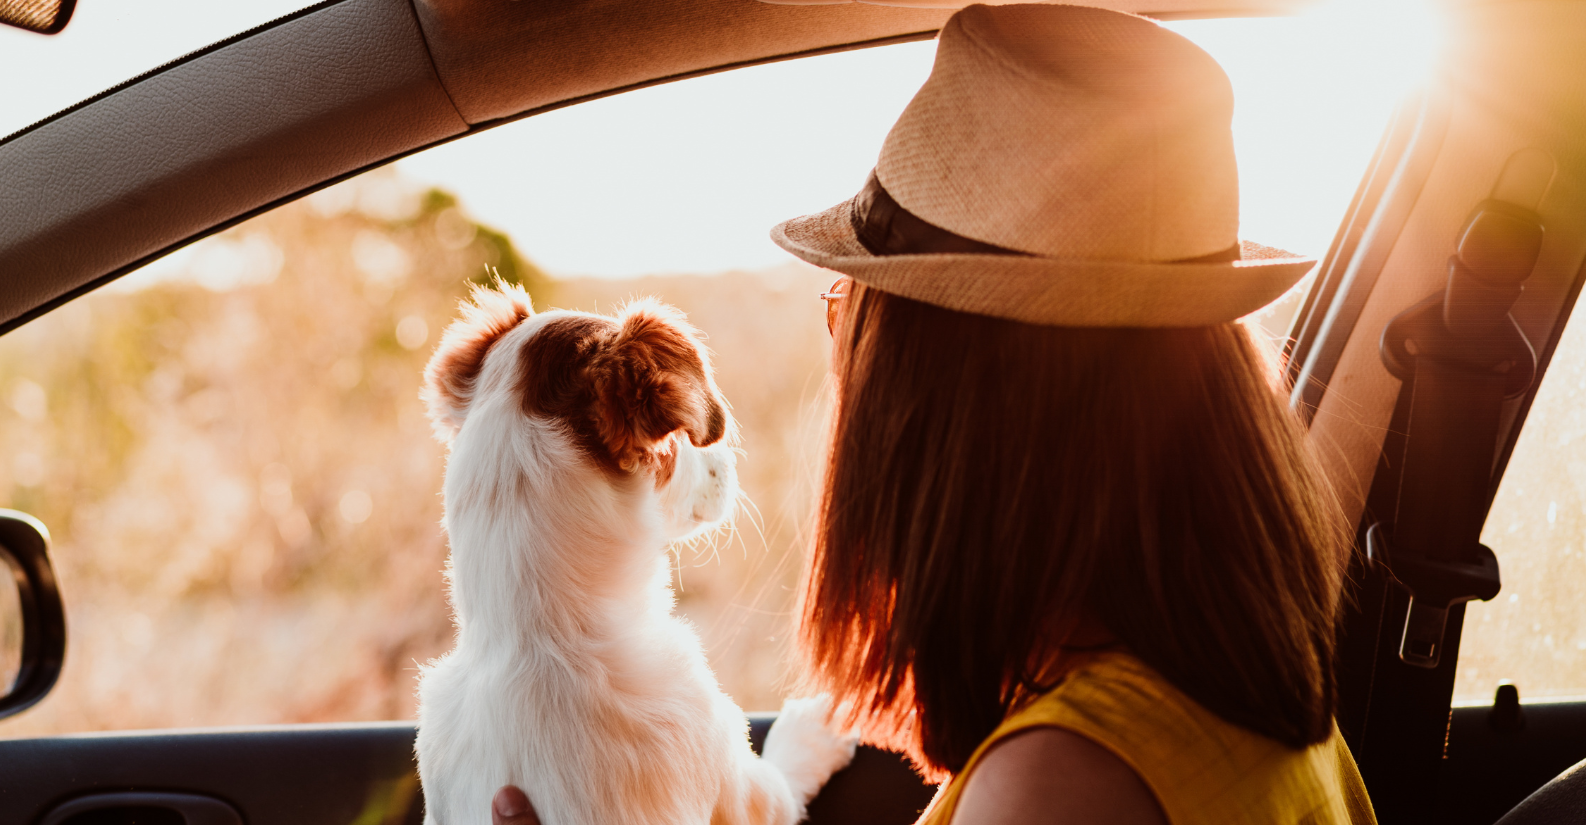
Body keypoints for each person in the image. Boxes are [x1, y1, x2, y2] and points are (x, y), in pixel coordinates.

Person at [489, 4, 1373, 824]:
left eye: (850, 314)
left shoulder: (1060, 785)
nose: (843, 368)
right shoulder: (1225, 713)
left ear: (945, 399)